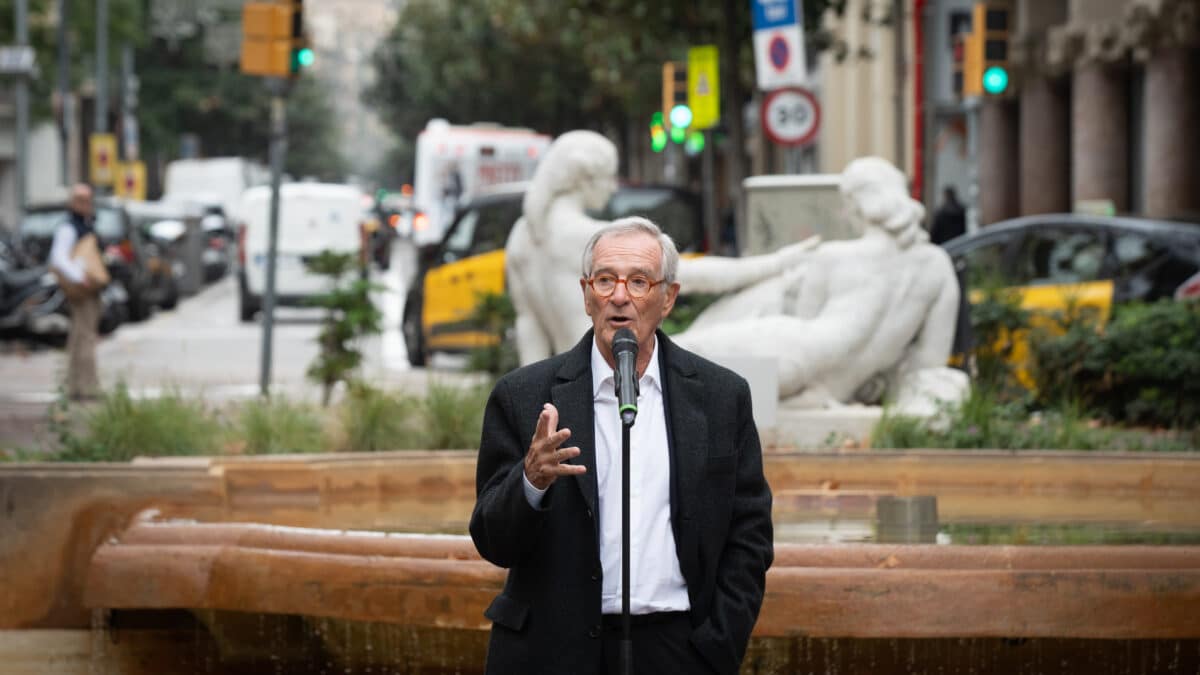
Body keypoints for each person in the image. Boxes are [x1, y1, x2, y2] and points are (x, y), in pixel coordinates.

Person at [470, 217, 774, 675]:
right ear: (586, 294)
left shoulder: (720, 396)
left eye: (638, 281)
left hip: (679, 650)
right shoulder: (524, 395)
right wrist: (529, 480)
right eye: (605, 280)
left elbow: (749, 535)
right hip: (553, 652)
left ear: (668, 297)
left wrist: (717, 645)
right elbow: (492, 541)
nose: (619, 296)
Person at [49, 183, 103, 400]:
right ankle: (87, 387)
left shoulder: (84, 224)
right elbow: (58, 258)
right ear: (73, 202)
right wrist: (79, 277)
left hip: (87, 289)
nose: (87, 204)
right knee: (85, 338)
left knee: (79, 337)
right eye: (81, 200)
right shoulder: (69, 227)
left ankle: (74, 386)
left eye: (88, 199)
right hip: (83, 290)